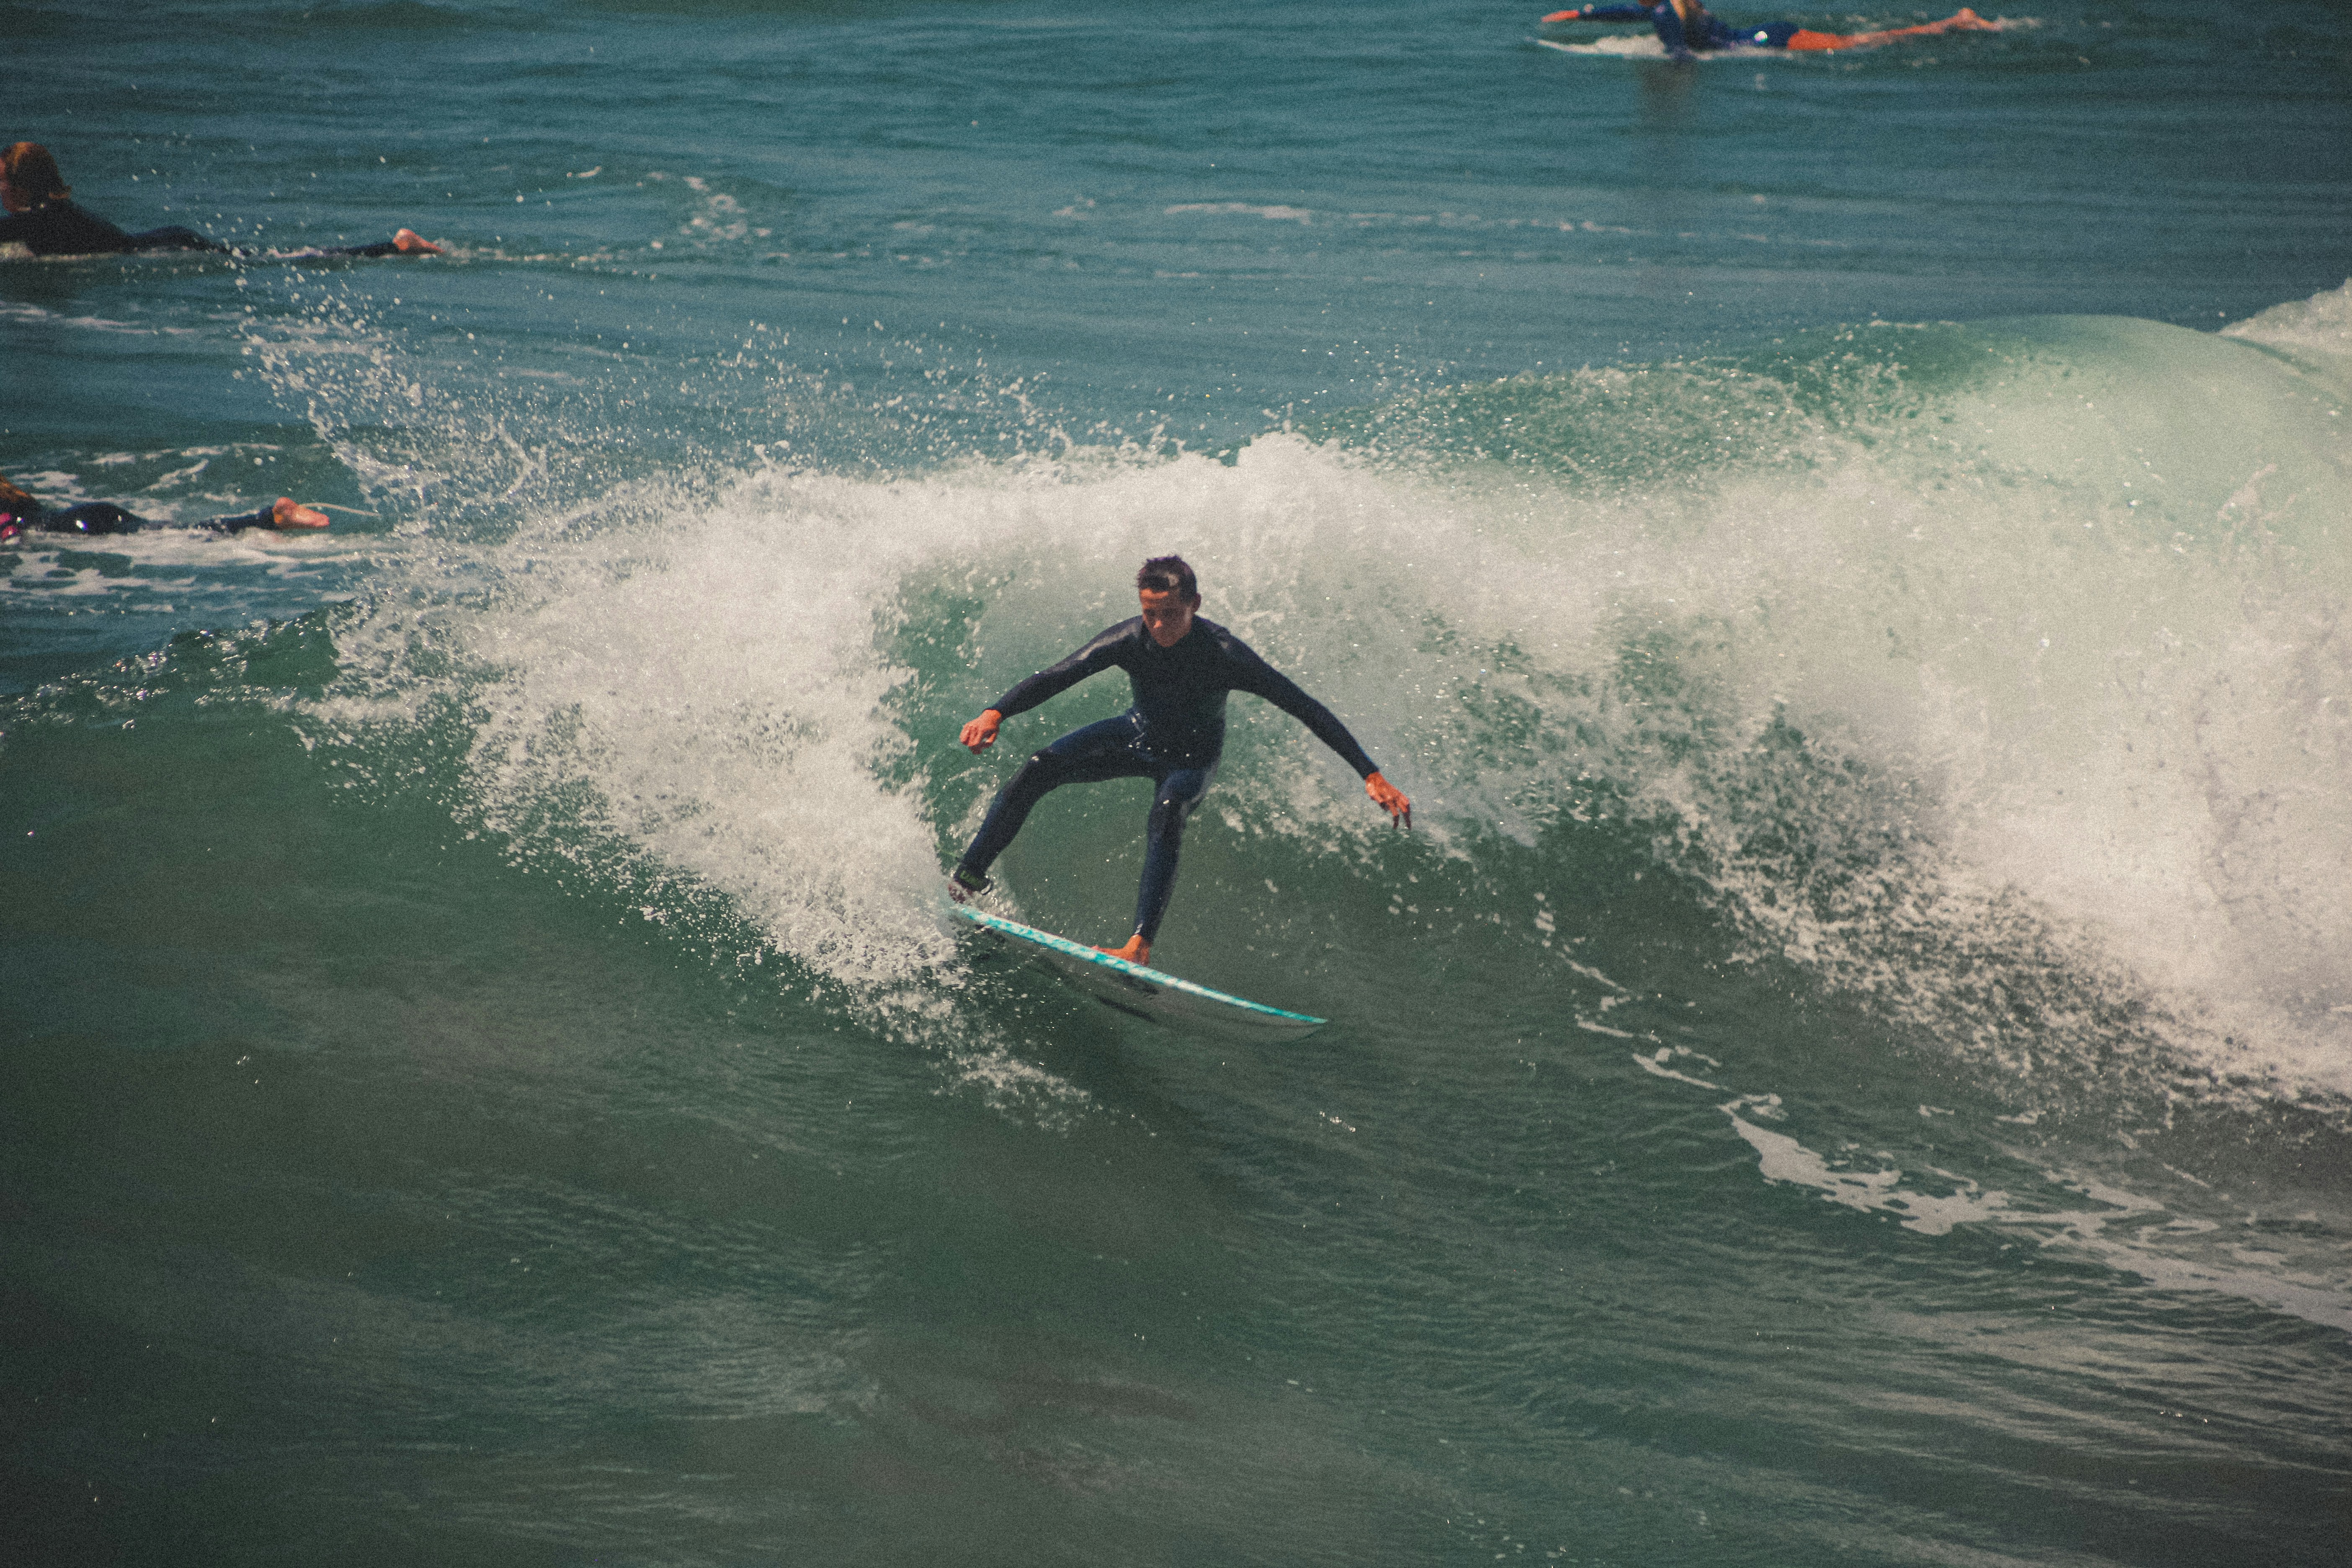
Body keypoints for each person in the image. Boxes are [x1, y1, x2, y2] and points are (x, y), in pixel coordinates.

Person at [949, 556, 1412, 966]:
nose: (1158, 626)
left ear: (1195, 604)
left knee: (1170, 811)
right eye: (1149, 613)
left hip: (1193, 758)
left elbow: (1304, 707)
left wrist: (1369, 773)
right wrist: (996, 712)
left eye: (1170, 614)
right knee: (1039, 767)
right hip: (1137, 733)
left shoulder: (1225, 655)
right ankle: (967, 880)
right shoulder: (1129, 640)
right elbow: (1059, 675)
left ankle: (1139, 946)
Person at [0, 142, 441, 259]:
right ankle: (395, 246)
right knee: (277, 258)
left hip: (171, 247)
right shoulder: (46, 214)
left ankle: (397, 246)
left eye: (2, 181)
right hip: (166, 240)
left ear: (22, 185)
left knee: (283, 259)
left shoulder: (40, 219)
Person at [1541, 2, 1996, 58]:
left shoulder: (1664, 11)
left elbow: (1679, 52)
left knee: (1859, 43)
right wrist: (1579, 15)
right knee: (1859, 40)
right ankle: (1955, 23)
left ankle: (1954, 24)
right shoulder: (1673, 5)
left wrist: (1676, 67)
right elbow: (1627, 13)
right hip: (1761, 34)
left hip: (1767, 39)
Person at [0, 473, 331, 544]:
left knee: (177, 535)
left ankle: (271, 519)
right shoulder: (17, 497)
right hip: (90, 513)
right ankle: (267, 519)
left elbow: (10, 535)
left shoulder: (8, 514)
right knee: (171, 531)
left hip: (81, 525)